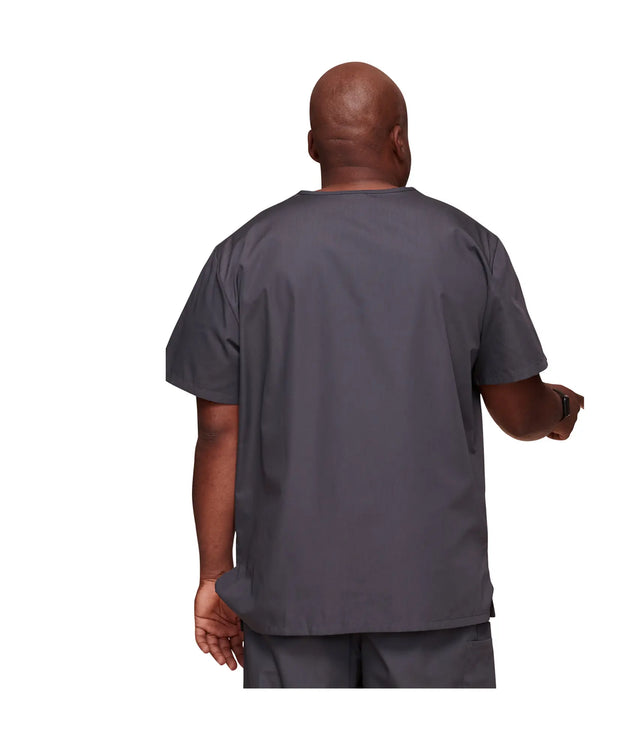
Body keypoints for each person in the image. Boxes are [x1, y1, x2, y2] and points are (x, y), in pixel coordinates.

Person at [165, 61, 584, 689]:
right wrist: (559, 410)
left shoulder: (241, 256)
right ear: (399, 139)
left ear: (313, 145)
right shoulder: (468, 246)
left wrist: (212, 577)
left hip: (289, 597)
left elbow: (219, 433)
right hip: (430, 596)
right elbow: (518, 413)